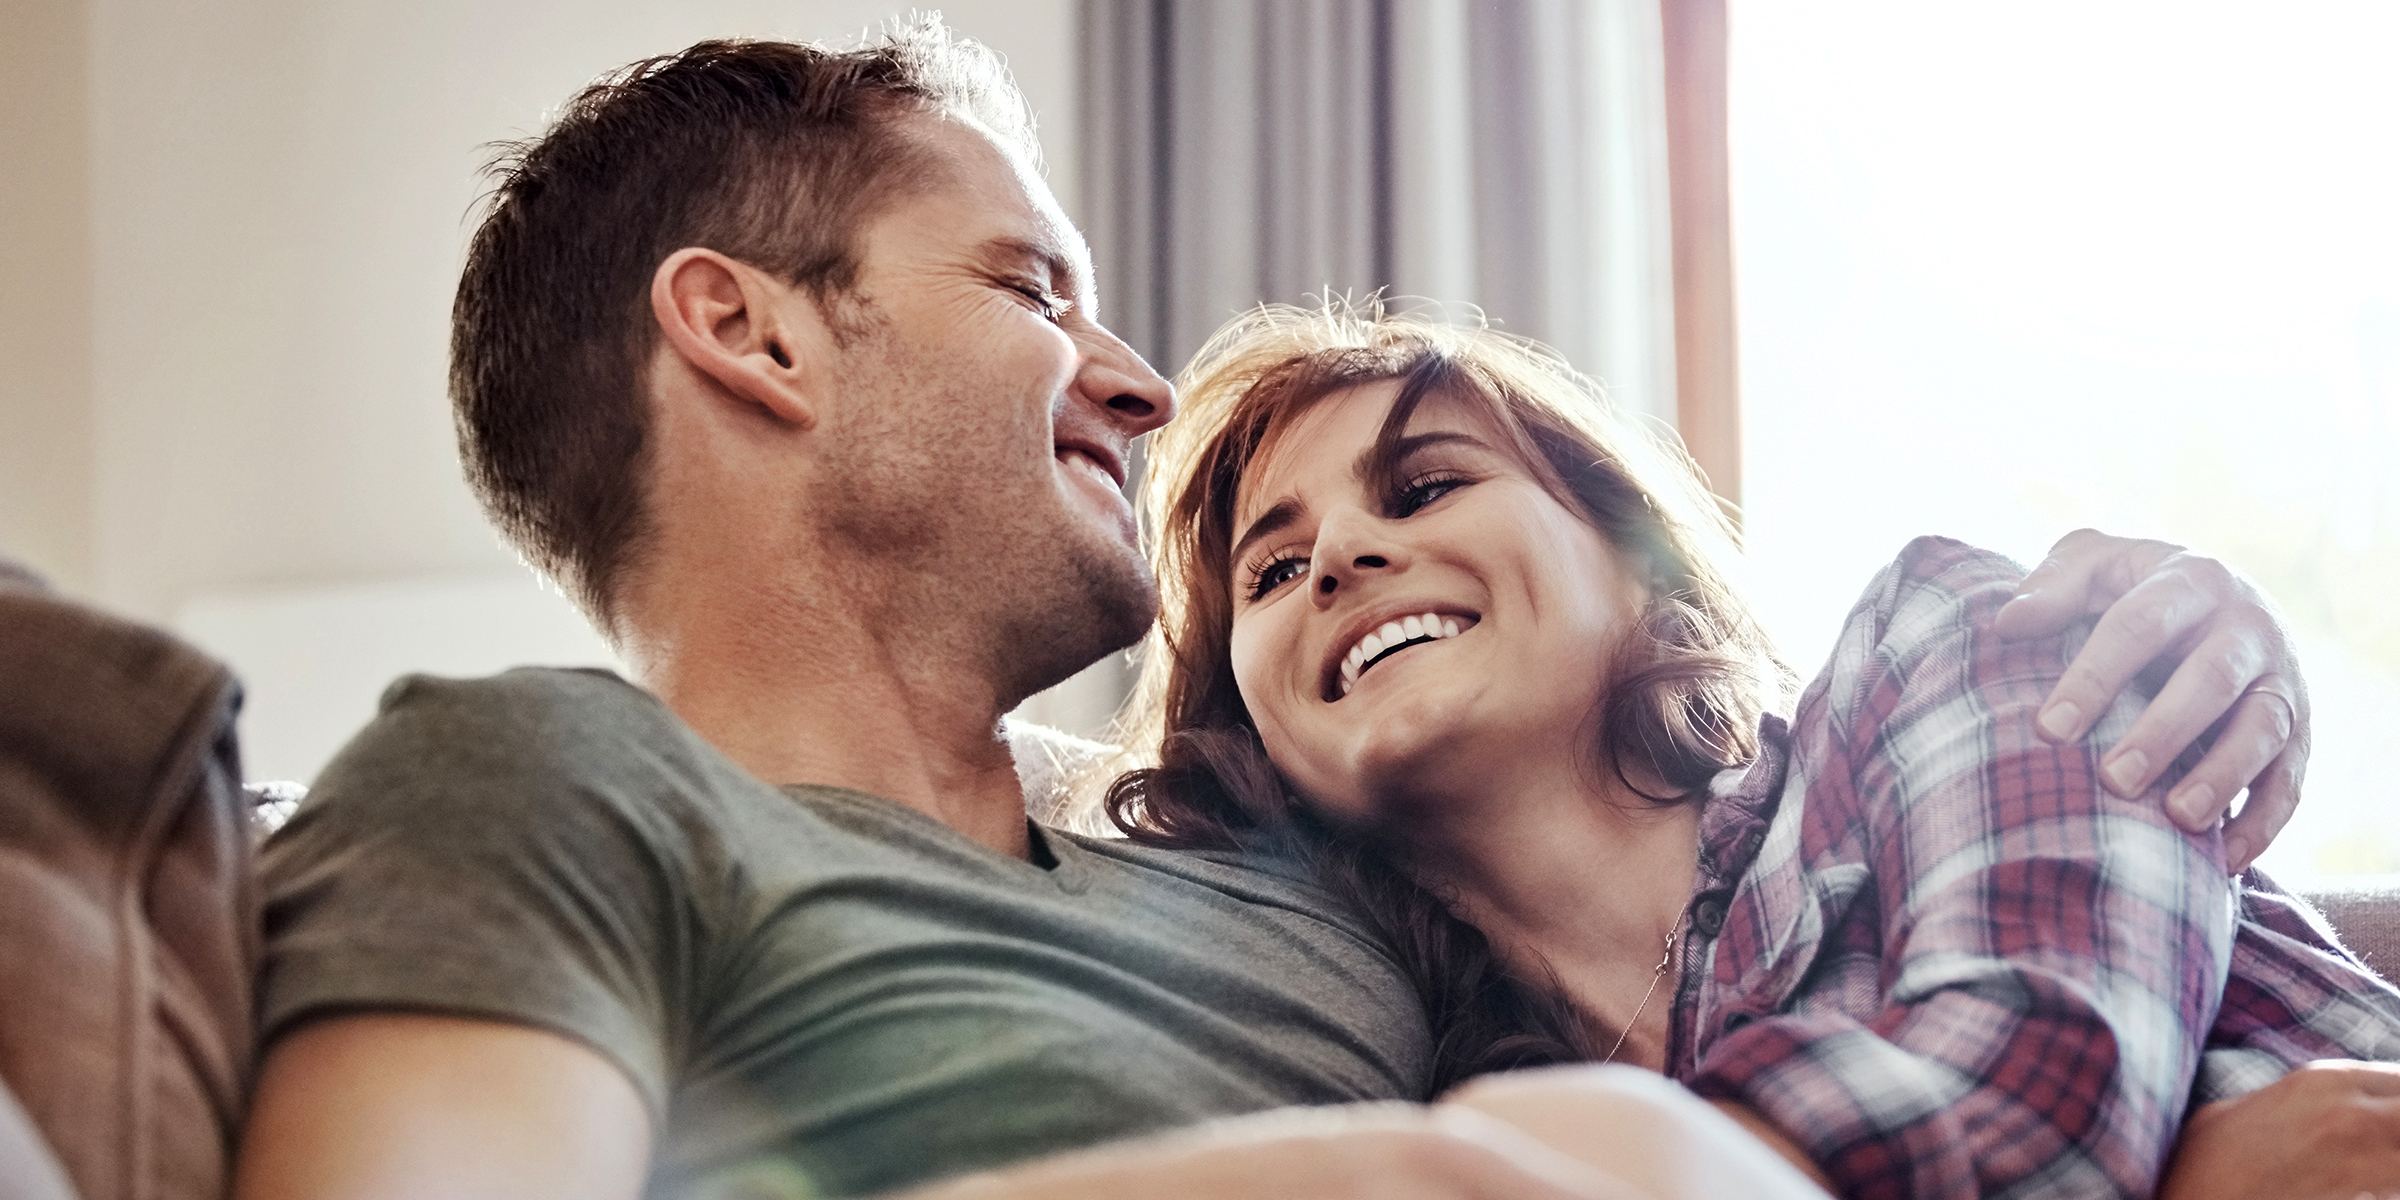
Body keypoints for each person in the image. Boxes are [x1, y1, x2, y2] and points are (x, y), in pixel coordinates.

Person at [232, 20, 2332, 1200]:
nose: (1140, 390)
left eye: (1417, 490)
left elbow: (1965, 1026)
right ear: (753, 337)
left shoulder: (1291, 884)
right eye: (1033, 292)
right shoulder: (527, 781)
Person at [1106, 302, 2400, 1199]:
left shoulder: (1954, 646)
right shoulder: (1419, 1079)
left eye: (1425, 485)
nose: (1338, 556)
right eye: (1272, 569)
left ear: (1633, 561)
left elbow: (2030, 1116)